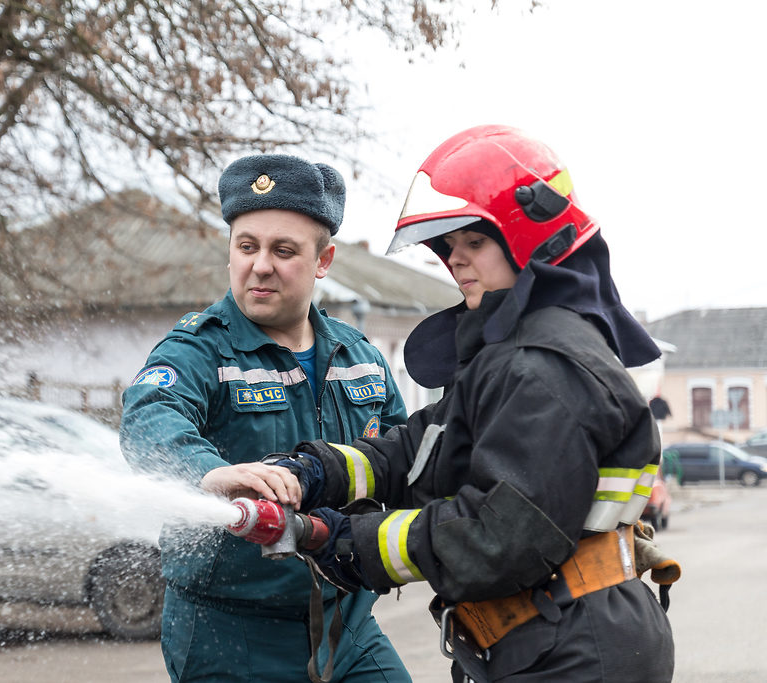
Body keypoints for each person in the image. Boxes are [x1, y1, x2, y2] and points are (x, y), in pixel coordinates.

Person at [251, 126, 679, 682]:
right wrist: (315, 471)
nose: (455, 261)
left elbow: (500, 536)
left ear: (529, 238)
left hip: (574, 650)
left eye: (474, 242)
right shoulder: (510, 351)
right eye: (449, 247)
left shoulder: (543, 366)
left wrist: (345, 540)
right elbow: (421, 447)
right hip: (548, 637)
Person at [119, 154, 412, 682]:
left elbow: (407, 457)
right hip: (230, 636)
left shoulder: (360, 356)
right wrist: (208, 474)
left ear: (324, 260)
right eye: (247, 246)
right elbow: (150, 416)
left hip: (348, 626)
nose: (260, 265)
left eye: (284, 251)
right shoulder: (198, 350)